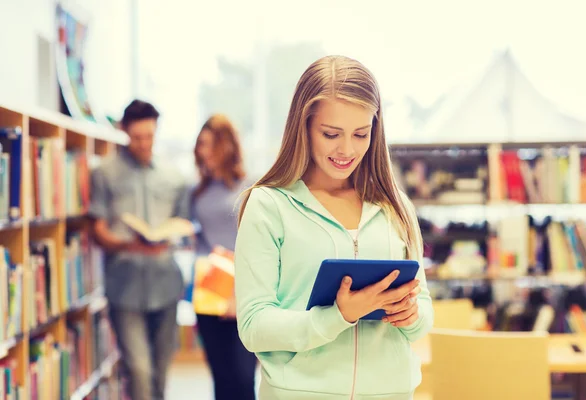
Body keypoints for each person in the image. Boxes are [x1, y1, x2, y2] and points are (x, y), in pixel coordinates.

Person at [234, 55, 434, 400]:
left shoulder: (395, 206)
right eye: (331, 134)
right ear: (304, 126)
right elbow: (254, 326)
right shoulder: (269, 205)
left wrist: (411, 313)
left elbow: (424, 310)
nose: (347, 150)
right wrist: (338, 316)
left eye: (361, 134)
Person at [89, 99, 190, 400]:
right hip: (125, 287)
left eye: (149, 136)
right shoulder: (104, 173)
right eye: (137, 138)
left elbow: (183, 225)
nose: (144, 144)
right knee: (140, 371)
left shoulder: (174, 177)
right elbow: (97, 229)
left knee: (160, 373)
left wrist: (169, 237)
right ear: (124, 132)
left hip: (166, 285)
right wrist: (127, 244)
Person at [190, 114, 257, 400]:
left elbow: (258, 244)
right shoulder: (197, 191)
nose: (203, 152)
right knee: (220, 377)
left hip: (242, 291)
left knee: (243, 378)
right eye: (200, 145)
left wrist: (237, 293)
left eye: (209, 144)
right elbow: (198, 239)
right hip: (208, 291)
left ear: (227, 145)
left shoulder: (252, 186)